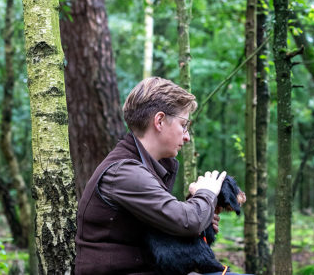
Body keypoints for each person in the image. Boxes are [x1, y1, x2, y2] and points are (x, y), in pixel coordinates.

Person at [75, 77, 227, 274]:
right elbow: (187, 221)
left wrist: (202, 215)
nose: (187, 136)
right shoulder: (125, 173)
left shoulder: (142, 167)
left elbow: (173, 226)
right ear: (160, 121)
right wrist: (206, 193)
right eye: (184, 125)